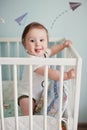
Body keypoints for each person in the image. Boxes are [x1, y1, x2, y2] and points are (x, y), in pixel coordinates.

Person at [18, 22, 75, 115]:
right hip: (27, 95)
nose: (37, 44)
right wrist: (66, 75)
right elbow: (50, 73)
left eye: (41, 40)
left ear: (47, 41)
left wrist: (63, 45)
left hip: (39, 94)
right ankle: (27, 123)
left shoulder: (44, 54)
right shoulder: (32, 60)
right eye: (32, 41)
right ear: (24, 44)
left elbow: (52, 50)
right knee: (28, 112)